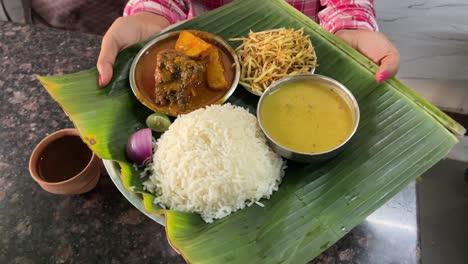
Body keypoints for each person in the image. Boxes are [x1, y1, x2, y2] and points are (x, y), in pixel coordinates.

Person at [97, 0, 400, 88]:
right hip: (209, 56)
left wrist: (351, 29)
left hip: (303, 62)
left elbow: (347, 5)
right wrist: (150, 15)